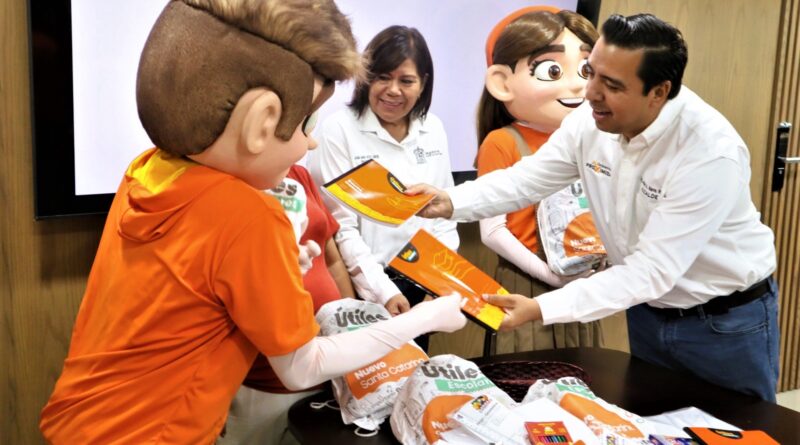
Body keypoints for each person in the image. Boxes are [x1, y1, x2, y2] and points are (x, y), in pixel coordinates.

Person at [38, 1, 467, 443]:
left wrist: (276, 266)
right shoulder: (250, 214)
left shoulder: (147, 171)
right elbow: (303, 367)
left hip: (80, 420)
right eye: (304, 125)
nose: (310, 142)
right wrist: (423, 319)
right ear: (262, 121)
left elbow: (191, 280)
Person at [409, 13, 779, 402]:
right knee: (654, 418)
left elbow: (650, 270)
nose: (590, 93)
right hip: (647, 312)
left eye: (612, 85)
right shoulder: (591, 120)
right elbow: (527, 179)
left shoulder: (708, 152)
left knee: (738, 425)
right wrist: (450, 201)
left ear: (658, 92)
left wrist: (539, 308)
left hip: (724, 323)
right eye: (591, 72)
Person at [313, 26, 459, 349]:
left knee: (417, 374)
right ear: (365, 77)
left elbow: (444, 214)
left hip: (423, 283)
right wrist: (384, 291)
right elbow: (341, 228)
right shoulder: (339, 130)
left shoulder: (433, 128)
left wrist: (440, 283)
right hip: (365, 286)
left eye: (406, 81)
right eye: (382, 77)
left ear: (423, 84)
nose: (393, 90)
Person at [475, 6, 603, 354]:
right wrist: (553, 276)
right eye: (552, 70)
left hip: (581, 280)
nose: (576, 84)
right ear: (501, 83)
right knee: (528, 369)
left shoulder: (589, 141)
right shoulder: (502, 142)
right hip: (526, 280)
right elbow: (492, 231)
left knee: (582, 367)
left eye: (586, 69)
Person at [219, 163, 356, 445]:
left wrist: (353, 322)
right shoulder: (222, 183)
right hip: (259, 381)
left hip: (328, 370)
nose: (311, 143)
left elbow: (331, 259)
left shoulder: (298, 175)